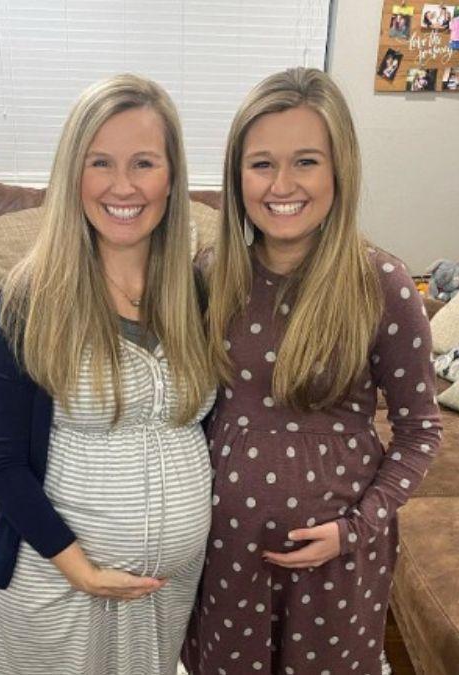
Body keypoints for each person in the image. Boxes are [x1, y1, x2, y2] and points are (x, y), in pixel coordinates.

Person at [182, 67, 443, 675]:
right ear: (236, 174)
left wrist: (358, 527)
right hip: (223, 546)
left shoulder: (382, 284)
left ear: (338, 170)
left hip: (338, 561)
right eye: (261, 163)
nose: (282, 184)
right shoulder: (208, 274)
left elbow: (419, 431)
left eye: (305, 161)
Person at [0, 73, 218, 675]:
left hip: (165, 590)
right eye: (100, 162)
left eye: (144, 162)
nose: (123, 186)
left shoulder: (200, 293)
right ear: (72, 174)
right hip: (58, 581)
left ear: (171, 176)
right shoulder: (28, 300)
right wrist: (79, 567)